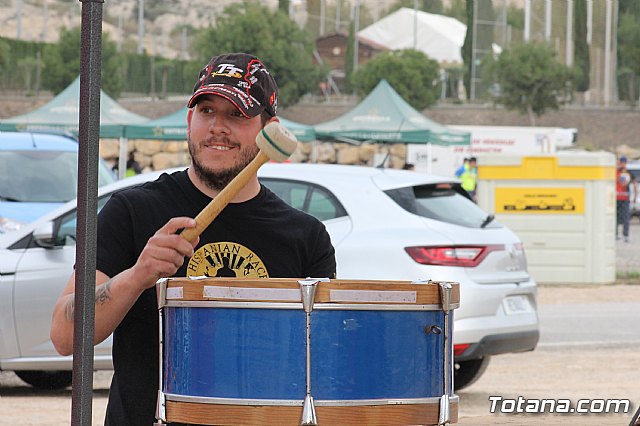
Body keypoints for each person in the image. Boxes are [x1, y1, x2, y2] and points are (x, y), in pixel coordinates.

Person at [50, 53, 337, 426]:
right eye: (206, 111)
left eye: (236, 114)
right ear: (189, 120)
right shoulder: (132, 211)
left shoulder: (306, 236)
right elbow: (63, 335)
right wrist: (138, 276)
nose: (217, 127)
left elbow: (324, 367)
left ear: (271, 129)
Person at [616, 155, 637, 242]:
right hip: (616, 197)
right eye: (622, 162)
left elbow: (635, 184)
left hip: (625, 198)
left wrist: (635, 196)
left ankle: (625, 235)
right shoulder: (616, 172)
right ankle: (615, 234)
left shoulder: (629, 173)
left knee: (626, 217)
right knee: (616, 217)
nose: (623, 164)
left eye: (624, 162)